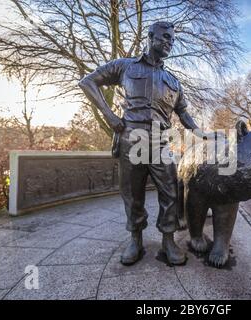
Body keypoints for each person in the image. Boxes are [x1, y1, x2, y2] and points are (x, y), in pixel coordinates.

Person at [78, 21, 208, 265]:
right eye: (165, 37)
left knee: (170, 191)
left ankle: (168, 240)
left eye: (173, 39)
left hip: (160, 142)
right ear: (150, 36)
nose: (170, 42)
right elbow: (87, 81)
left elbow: (184, 114)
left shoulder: (173, 81)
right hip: (131, 139)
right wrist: (110, 116)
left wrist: (203, 134)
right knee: (132, 193)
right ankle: (135, 240)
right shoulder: (125, 66)